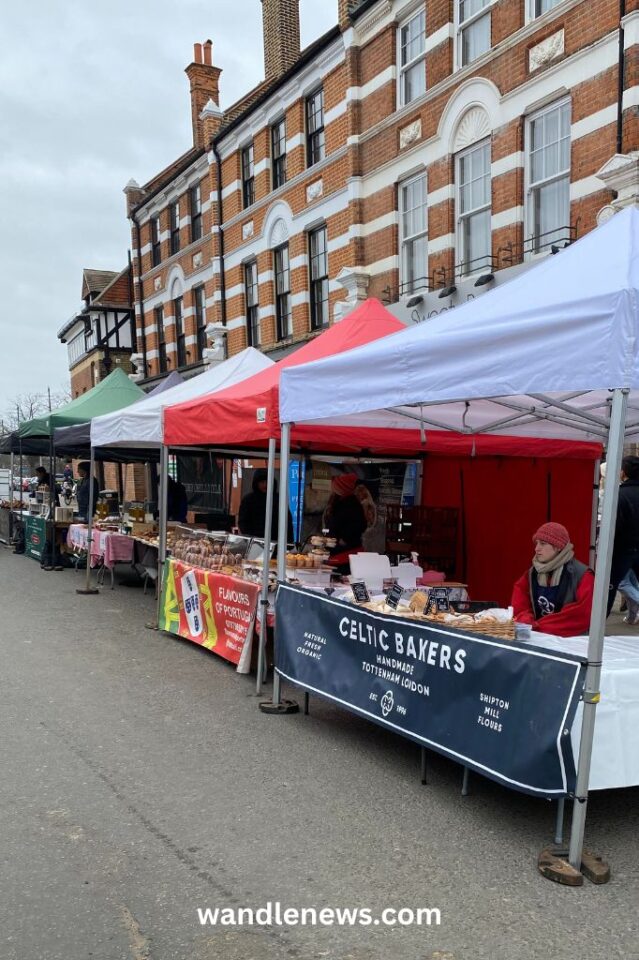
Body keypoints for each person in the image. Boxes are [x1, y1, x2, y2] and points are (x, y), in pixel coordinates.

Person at [511, 521, 594, 638]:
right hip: (537, 638)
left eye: (543, 544)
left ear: (558, 547)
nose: (536, 548)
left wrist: (537, 627)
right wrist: (527, 621)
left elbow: (581, 614)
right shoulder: (531, 573)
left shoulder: (583, 575)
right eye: (536, 543)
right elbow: (520, 604)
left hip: (573, 642)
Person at [607, 455, 639, 617]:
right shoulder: (621, 493)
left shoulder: (620, 494)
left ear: (623, 472)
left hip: (623, 549)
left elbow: (615, 525)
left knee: (610, 587)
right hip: (632, 547)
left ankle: (598, 623)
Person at [238, 468, 293, 542]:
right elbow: (243, 522)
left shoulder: (278, 500)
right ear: (256, 483)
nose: (265, 485)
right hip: (255, 541)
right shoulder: (248, 500)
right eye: (262, 482)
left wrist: (289, 541)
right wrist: (250, 538)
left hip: (275, 541)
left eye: (267, 482)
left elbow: (287, 521)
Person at [324, 473, 367, 555]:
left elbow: (361, 524)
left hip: (346, 550)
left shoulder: (352, 505)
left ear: (342, 489)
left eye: (336, 487)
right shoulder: (340, 500)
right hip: (335, 547)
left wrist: (345, 538)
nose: (333, 489)